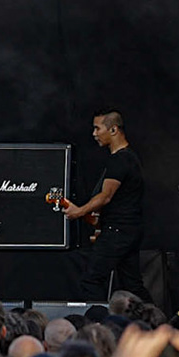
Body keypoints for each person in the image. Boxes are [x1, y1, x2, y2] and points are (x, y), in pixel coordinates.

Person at [63, 110, 150, 304]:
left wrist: (78, 211)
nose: (94, 134)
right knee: (132, 285)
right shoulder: (130, 158)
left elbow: (106, 196)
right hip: (128, 229)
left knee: (91, 280)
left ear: (113, 129)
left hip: (118, 231)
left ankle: (99, 325)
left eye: (97, 128)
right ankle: (155, 321)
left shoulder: (120, 160)